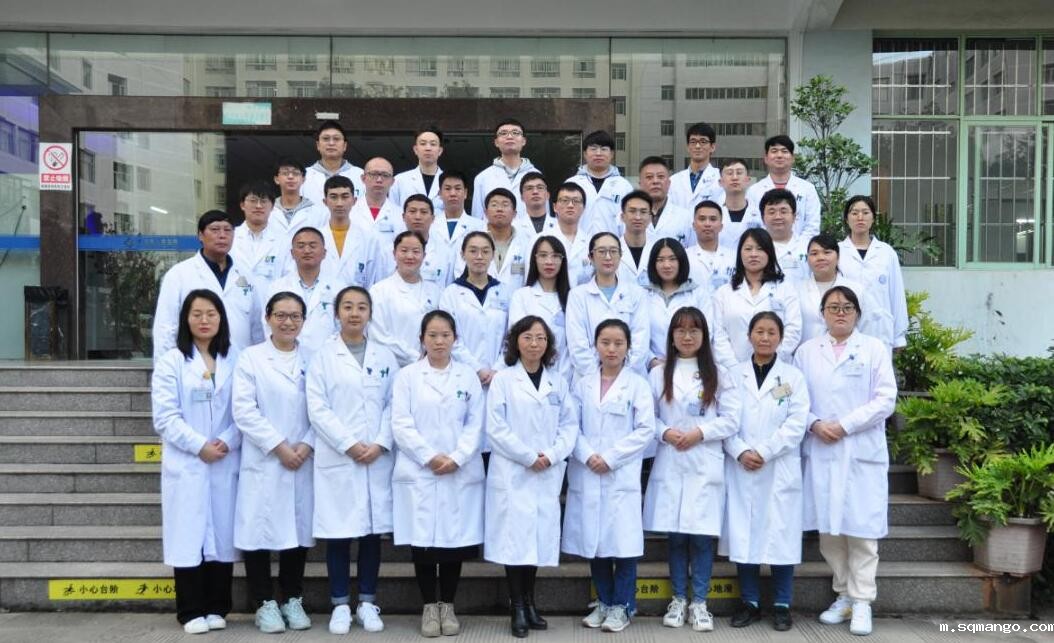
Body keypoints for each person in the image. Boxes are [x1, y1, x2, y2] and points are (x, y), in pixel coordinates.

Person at [794, 286, 897, 637]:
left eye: (847, 307)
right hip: (822, 448)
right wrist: (814, 424)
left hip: (859, 449)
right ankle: (844, 595)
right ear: (822, 313)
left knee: (862, 531)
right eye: (833, 307)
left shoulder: (874, 349)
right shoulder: (807, 352)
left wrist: (845, 425)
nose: (840, 313)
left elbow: (885, 399)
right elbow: (795, 399)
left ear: (857, 313)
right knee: (829, 532)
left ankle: (863, 600)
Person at [307, 286, 400, 635]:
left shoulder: (384, 356)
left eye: (362, 307)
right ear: (337, 313)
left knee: (372, 534)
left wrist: (380, 443)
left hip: (376, 456)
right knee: (339, 534)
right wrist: (348, 444)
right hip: (339, 457)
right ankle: (340, 605)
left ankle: (367, 603)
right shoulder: (322, 357)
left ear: (370, 313)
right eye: (347, 307)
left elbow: (394, 404)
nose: (355, 313)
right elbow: (317, 408)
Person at [642, 307, 739, 633]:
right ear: (671, 336)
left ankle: (699, 602)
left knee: (700, 538)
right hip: (671, 459)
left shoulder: (719, 373)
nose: (687, 337)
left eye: (694, 331)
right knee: (676, 536)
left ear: (704, 336)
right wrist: (665, 433)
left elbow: (731, 419)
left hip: (703, 460)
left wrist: (700, 433)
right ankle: (678, 599)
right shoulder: (658, 373)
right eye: (680, 331)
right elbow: (647, 417)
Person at [391, 310, 485, 638]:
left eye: (445, 335)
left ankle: (449, 605)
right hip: (420, 470)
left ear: (455, 339)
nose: (439, 341)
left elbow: (476, 423)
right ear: (422, 339)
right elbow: (401, 423)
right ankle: (429, 606)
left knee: (452, 543)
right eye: (432, 335)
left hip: (459, 470)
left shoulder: (467, 377)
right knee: (422, 542)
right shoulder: (407, 377)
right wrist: (429, 457)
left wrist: (457, 457)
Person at [152, 289, 240, 635]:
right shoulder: (172, 362)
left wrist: (228, 440)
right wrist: (199, 445)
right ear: (185, 320)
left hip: (224, 457)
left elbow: (246, 408)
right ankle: (190, 611)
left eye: (211, 314)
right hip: (187, 461)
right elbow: (165, 417)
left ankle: (218, 607)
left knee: (222, 533)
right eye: (197, 314)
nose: (204, 321)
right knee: (188, 535)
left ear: (221, 319)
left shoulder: (235, 358)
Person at [484, 316, 578, 638]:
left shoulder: (558, 382)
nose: (534, 343)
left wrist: (551, 455)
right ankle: (517, 608)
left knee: (536, 540)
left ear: (548, 344)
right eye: (527, 337)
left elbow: (569, 426)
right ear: (515, 342)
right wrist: (528, 456)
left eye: (540, 337)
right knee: (515, 542)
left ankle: (530, 602)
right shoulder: (503, 381)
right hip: (514, 471)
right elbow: (496, 428)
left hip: (546, 471)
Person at [562, 319, 655, 633]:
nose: (611, 349)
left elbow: (645, 430)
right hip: (588, 469)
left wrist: (611, 457)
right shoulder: (582, 383)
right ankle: (603, 601)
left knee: (623, 545)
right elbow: (570, 425)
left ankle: (622, 606)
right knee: (595, 541)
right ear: (596, 346)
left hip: (620, 473)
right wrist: (588, 455)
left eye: (618, 343)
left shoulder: (637, 385)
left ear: (628, 347)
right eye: (605, 342)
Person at [232, 292, 315, 634]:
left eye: (295, 316)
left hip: (303, 457)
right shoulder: (251, 358)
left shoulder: (313, 358)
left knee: (297, 532)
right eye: (280, 315)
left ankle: (292, 598)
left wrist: (306, 445)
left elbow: (324, 406)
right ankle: (264, 602)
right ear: (267, 318)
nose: (288, 322)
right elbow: (244, 410)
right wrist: (280, 447)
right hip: (265, 459)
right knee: (259, 531)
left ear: (304, 321)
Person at [722, 312, 809, 631]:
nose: (765, 337)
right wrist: (741, 451)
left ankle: (782, 604)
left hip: (778, 466)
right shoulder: (734, 375)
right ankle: (750, 602)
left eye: (772, 332)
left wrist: (765, 451)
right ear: (749, 336)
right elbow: (724, 419)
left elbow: (797, 423)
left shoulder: (793, 377)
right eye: (759, 331)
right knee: (744, 534)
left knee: (781, 535)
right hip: (742, 464)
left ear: (780, 338)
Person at [153, 210, 263, 360]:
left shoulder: (246, 275)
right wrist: (165, 367)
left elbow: (257, 327)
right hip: (193, 363)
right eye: (215, 229)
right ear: (200, 235)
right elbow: (166, 327)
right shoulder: (179, 274)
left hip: (239, 362)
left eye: (227, 230)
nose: (222, 235)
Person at [711, 228, 802, 370]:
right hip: (732, 370)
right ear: (740, 253)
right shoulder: (724, 293)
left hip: (777, 368)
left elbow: (793, 329)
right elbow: (719, 335)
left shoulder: (785, 289)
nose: (753, 254)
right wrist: (734, 368)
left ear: (769, 253)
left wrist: (769, 361)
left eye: (760, 249)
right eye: (748, 249)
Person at [566, 232, 650, 378]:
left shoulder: (637, 293)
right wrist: (600, 378)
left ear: (620, 255)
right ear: (591, 257)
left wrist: (622, 376)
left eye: (613, 251)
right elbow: (577, 346)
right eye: (601, 251)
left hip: (631, 378)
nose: (608, 257)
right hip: (589, 378)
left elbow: (640, 341)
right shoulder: (577, 295)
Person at [837, 195, 908, 351]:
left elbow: (896, 295)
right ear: (847, 219)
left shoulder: (886, 252)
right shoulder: (837, 251)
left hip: (880, 329)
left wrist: (899, 336)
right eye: (854, 213)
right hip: (846, 329)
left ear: (873, 218)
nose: (860, 217)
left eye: (865, 212)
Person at [442, 231, 510, 387]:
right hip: (462, 374)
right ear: (462, 254)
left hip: (498, 376)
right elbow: (450, 337)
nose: (479, 256)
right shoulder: (451, 293)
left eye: (485, 251)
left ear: (493, 255)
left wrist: (498, 368)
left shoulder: (504, 291)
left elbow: (510, 336)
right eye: (473, 251)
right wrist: (477, 369)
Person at [264, 227, 339, 361]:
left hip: (328, 360)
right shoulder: (277, 288)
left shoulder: (338, 288)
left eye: (313, 246)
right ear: (292, 253)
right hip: (286, 358)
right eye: (301, 246)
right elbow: (268, 326)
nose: (307, 250)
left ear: (324, 253)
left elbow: (342, 327)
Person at [369, 231, 442, 367]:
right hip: (393, 366)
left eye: (416, 251)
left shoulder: (434, 291)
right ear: (394, 254)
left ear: (424, 255)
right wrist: (416, 357)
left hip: (431, 366)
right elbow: (378, 335)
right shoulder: (379, 291)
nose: (410, 256)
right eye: (404, 251)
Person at [797, 234, 882, 344]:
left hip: (849, 351)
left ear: (838, 257)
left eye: (827, 252)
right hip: (807, 351)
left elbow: (866, 326)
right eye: (814, 253)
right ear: (807, 258)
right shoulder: (797, 290)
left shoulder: (856, 289)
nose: (821, 257)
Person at [508, 236, 572, 381]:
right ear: (534, 259)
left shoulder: (572, 298)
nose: (549, 261)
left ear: (563, 261)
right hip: (528, 373)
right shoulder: (522, 296)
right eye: (543, 255)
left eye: (555, 256)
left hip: (566, 374)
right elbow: (518, 337)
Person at [643, 239, 712, 369]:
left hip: (692, 365)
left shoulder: (698, 294)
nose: (667, 265)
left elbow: (708, 331)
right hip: (654, 367)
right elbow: (637, 334)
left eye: (672, 259)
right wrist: (652, 361)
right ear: (653, 264)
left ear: (681, 261)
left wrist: (685, 360)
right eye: (660, 260)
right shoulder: (643, 295)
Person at [454, 188, 532, 290]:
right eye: (494, 205)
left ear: (514, 214)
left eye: (505, 205)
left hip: (516, 299)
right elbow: (460, 272)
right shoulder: (469, 239)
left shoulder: (527, 242)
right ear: (486, 213)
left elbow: (530, 278)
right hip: (476, 297)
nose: (499, 209)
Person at [315, 175, 384, 288]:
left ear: (354, 201)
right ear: (325, 201)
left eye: (345, 197)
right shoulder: (315, 238)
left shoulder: (369, 238)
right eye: (333, 197)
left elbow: (374, 280)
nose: (339, 203)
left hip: (358, 297)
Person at [745, 136, 821, 240]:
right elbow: (752, 224)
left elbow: (812, 226)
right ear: (766, 158)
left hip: (800, 247)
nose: (779, 155)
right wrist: (767, 245)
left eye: (784, 151)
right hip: (765, 247)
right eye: (774, 151)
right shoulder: (754, 191)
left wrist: (797, 246)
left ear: (793, 158)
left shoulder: (808, 189)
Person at [378, 194, 456, 287]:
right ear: (403, 216)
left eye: (423, 212)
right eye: (412, 211)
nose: (418, 217)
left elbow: (449, 287)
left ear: (433, 218)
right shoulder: (387, 251)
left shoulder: (445, 252)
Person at [567, 130, 634, 236]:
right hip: (579, 244)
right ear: (585, 154)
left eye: (603, 149)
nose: (598, 153)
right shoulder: (572, 184)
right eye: (593, 149)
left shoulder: (624, 186)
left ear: (612, 154)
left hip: (614, 244)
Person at [472, 118, 539, 219]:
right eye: (503, 133)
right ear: (496, 142)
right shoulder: (482, 178)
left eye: (515, 133)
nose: (510, 136)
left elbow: (544, 214)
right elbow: (477, 218)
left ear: (524, 141)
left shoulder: (537, 175)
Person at [534, 182, 593, 286]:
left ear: (583, 208)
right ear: (554, 207)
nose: (570, 205)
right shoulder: (539, 240)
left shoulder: (591, 243)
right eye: (565, 200)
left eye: (576, 201)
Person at [230, 180, 282, 288]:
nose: (258, 206)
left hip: (272, 297)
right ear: (242, 205)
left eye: (263, 201)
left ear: (272, 206)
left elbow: (288, 276)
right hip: (236, 296)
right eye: (253, 201)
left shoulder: (283, 241)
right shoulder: (230, 237)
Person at [302, 120, 365, 206]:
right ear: (318, 145)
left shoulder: (361, 176)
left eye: (336, 139)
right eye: (326, 139)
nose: (331, 143)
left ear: (345, 145)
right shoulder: (303, 176)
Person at [637, 156, 694, 246]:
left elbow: (693, 250)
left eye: (660, 177)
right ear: (640, 184)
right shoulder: (626, 218)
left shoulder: (685, 217)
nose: (655, 181)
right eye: (649, 177)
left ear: (669, 183)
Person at [686, 200, 736, 298]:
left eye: (713, 219)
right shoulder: (685, 257)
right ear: (694, 225)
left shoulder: (734, 257)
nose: (707, 224)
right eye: (702, 219)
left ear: (721, 226)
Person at [390, 126, 445, 215]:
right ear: (415, 149)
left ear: (440, 150)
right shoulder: (400, 180)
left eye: (433, 144)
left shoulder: (448, 181)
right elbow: (393, 213)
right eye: (423, 143)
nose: (428, 148)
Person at [352, 157, 403, 249]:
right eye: (373, 174)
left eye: (385, 175)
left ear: (392, 181)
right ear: (363, 178)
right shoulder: (350, 211)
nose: (379, 180)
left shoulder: (400, 215)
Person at [271, 157, 328, 238]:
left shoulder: (319, 214)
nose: (290, 177)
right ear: (276, 179)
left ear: (303, 179)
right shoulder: (268, 211)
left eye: (295, 173)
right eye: (285, 173)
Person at [760, 188, 809, 283]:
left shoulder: (807, 247)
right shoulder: (755, 249)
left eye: (783, 212)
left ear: (794, 217)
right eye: (771, 212)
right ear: (762, 218)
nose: (778, 217)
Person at [669, 123, 723, 209]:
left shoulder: (720, 179)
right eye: (693, 142)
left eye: (703, 142)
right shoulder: (673, 181)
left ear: (712, 147)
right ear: (688, 147)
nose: (697, 146)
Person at [432, 170, 485, 256]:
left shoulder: (480, 226)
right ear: (440, 194)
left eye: (457, 188)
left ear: (465, 193)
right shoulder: (431, 225)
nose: (453, 193)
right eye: (448, 189)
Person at [717, 158, 761, 251]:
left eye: (739, 173)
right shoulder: (713, 214)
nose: (735, 177)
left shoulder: (759, 214)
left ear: (748, 180)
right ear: (720, 182)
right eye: (729, 173)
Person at [616, 190, 657, 288]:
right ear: (622, 217)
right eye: (632, 211)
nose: (638, 217)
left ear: (650, 218)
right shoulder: (613, 250)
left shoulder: (658, 249)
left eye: (643, 212)